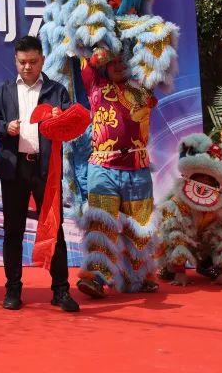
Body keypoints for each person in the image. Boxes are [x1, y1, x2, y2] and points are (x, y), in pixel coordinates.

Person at [0, 36, 79, 312]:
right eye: (22, 62)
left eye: (33, 62)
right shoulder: (4, 90)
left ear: (42, 60)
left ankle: (60, 290)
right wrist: (5, 127)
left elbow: (71, 124)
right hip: (13, 168)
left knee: (54, 229)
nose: (27, 67)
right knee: (12, 231)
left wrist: (59, 120)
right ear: (15, 61)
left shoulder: (56, 90)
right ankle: (13, 289)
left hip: (46, 169)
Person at [75, 53, 159, 298]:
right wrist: (100, 53)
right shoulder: (95, 85)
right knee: (102, 222)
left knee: (140, 227)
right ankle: (96, 278)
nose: (120, 65)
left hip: (137, 166)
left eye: (124, 60)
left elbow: (156, 60)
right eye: (114, 61)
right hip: (103, 166)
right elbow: (86, 59)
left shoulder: (143, 88)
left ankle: (137, 277)